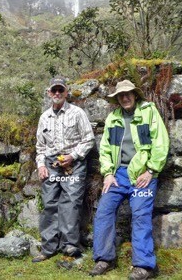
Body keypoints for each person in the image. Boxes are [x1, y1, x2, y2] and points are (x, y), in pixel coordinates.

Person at [90, 80, 169, 279]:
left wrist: (151, 170)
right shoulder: (113, 118)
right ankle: (104, 258)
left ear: (135, 95)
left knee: (141, 215)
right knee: (103, 212)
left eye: (128, 94)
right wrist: (107, 173)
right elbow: (106, 149)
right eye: (121, 95)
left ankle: (144, 266)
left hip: (143, 174)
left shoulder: (148, 112)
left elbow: (161, 142)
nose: (125, 97)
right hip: (118, 175)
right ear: (117, 98)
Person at [33, 77, 95, 264]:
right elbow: (40, 147)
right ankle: (48, 247)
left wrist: (73, 156)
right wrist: (41, 165)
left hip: (74, 163)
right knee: (50, 203)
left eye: (61, 90)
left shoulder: (77, 113)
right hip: (51, 164)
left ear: (66, 92)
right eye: (54, 91)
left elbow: (88, 139)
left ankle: (69, 245)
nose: (57, 94)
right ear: (49, 93)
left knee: (71, 203)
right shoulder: (44, 117)